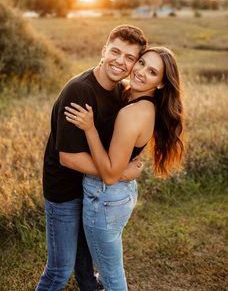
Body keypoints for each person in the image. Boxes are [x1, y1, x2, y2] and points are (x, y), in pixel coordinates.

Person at [35, 24, 148, 291]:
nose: (120, 61)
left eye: (130, 58)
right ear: (104, 50)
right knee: (59, 269)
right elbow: (69, 159)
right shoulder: (79, 90)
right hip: (65, 190)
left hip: (92, 189)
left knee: (85, 262)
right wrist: (119, 173)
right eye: (116, 51)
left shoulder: (121, 92)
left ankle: (88, 285)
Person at [64, 46, 184, 291]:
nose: (140, 72)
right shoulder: (140, 101)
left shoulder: (133, 113)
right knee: (108, 266)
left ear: (161, 83)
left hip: (105, 197)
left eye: (152, 72)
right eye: (140, 63)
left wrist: (89, 129)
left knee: (112, 277)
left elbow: (109, 175)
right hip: (119, 195)